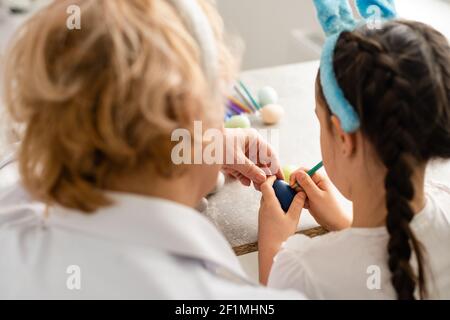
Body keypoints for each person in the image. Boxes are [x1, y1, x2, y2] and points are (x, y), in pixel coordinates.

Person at [0, 0, 302, 299]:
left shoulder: (12, 229)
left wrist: (192, 141)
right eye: (219, 104)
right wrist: (278, 259)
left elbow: (21, 164)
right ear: (192, 112)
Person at [258, 14, 450, 299]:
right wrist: (344, 224)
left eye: (320, 122)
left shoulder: (305, 272)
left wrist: (272, 247)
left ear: (344, 137)